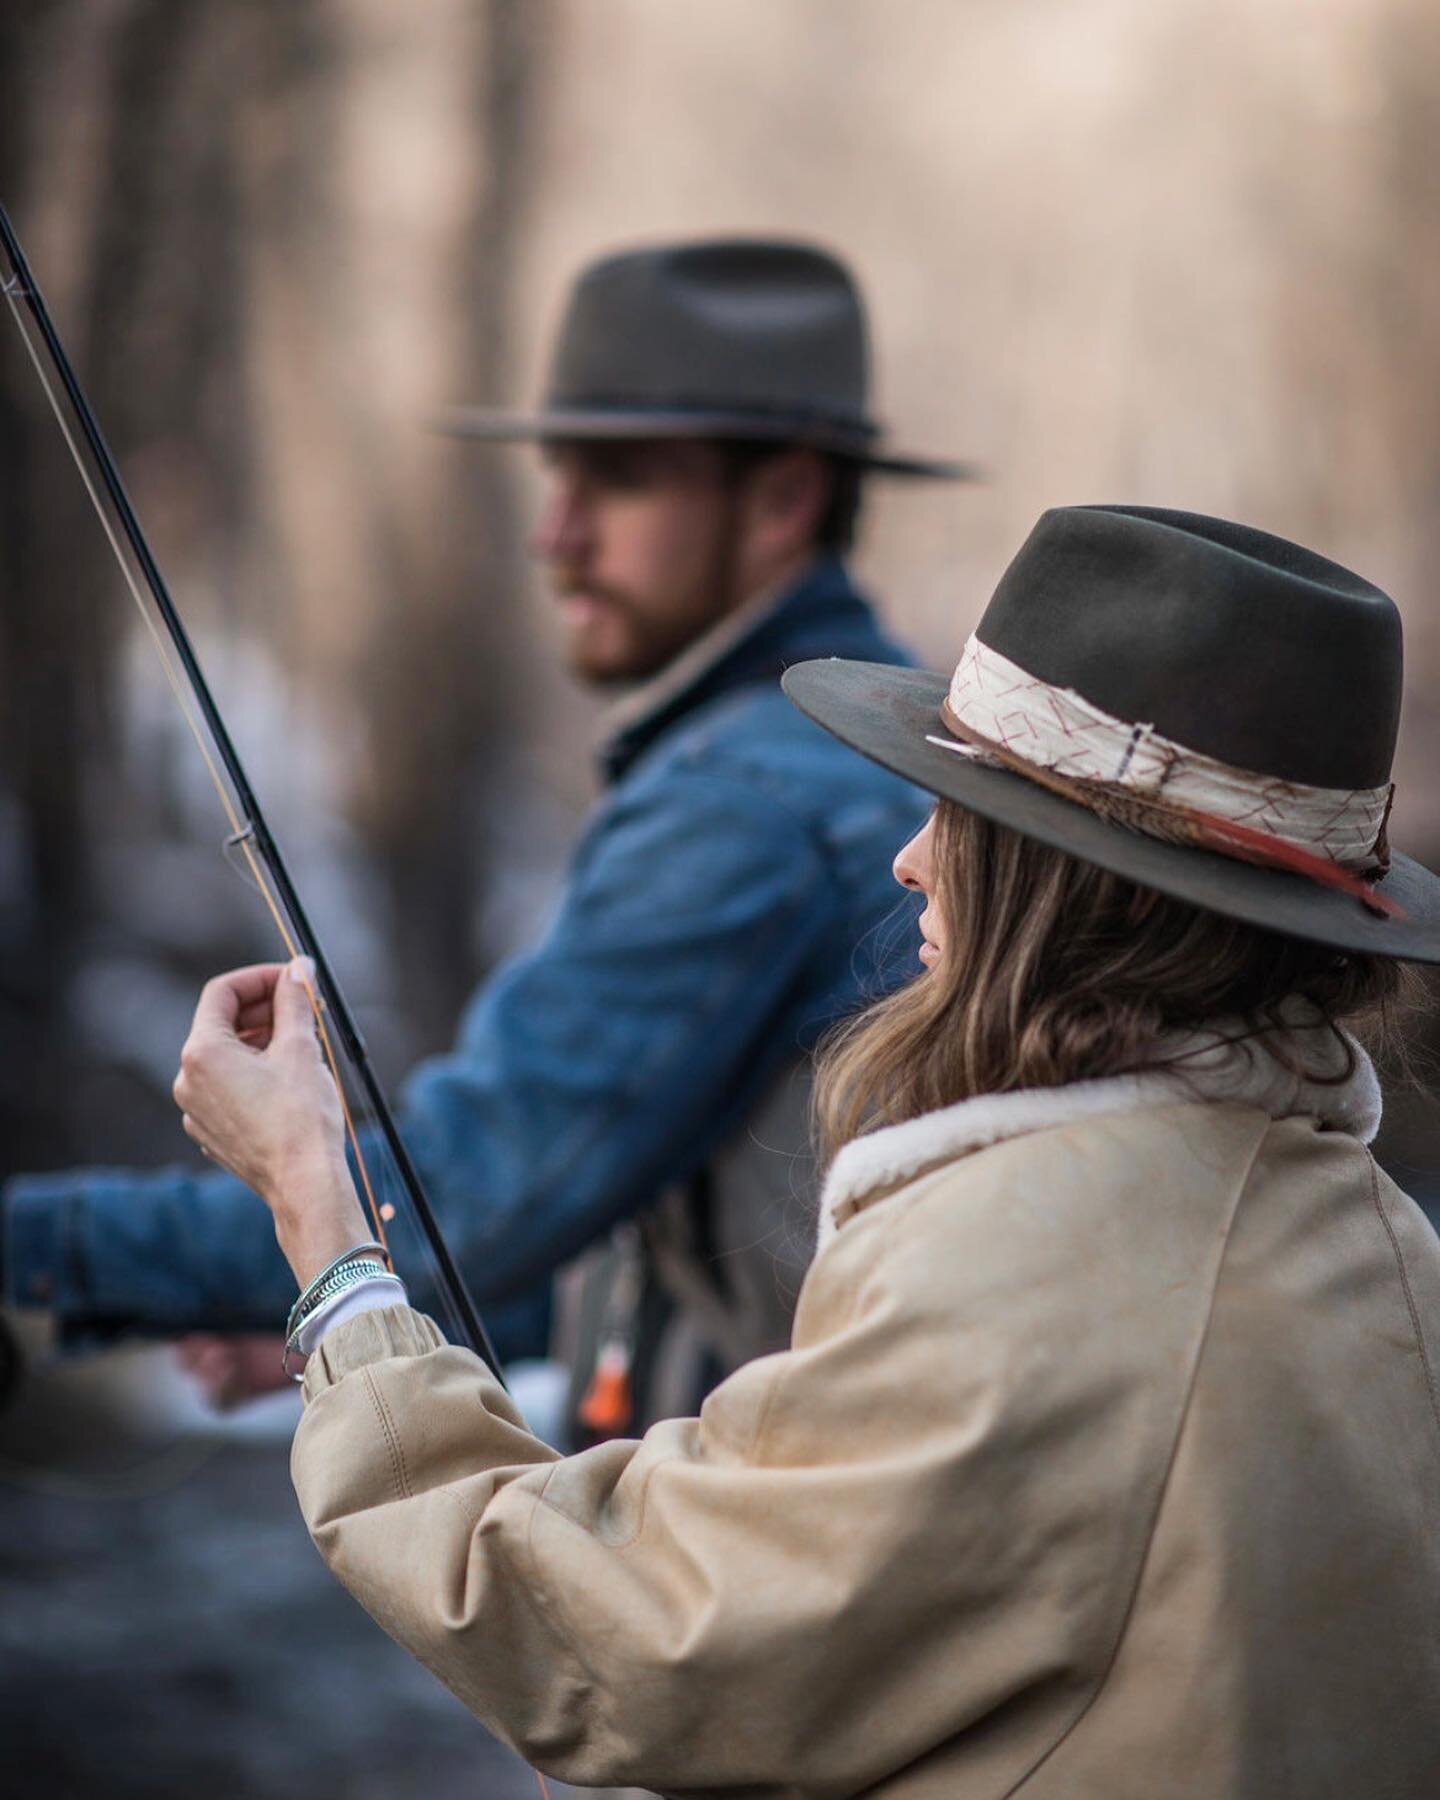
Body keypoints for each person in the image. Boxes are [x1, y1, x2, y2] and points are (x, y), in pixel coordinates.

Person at [174, 505, 1440, 1796]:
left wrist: (320, 1224)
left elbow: (623, 1639)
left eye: (966, 815)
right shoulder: (1390, 1254)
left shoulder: (1032, 1271)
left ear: (1076, 890)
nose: (910, 861)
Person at [1, 239, 970, 1430]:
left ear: (782, 498)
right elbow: (707, 1235)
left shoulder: (746, 798)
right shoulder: (855, 750)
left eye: (616, 480)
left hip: (746, 1573)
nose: (555, 534)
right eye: (557, 477)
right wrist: (317, 1310)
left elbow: (465, 1201)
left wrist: (39, 1248)